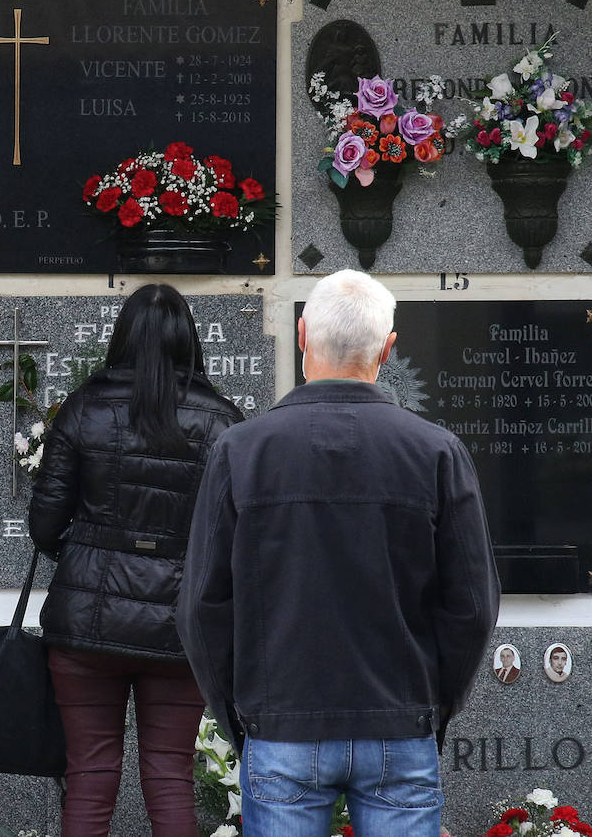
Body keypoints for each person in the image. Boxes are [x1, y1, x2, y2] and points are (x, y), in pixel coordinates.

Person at [178, 269, 500, 837]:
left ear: (302, 335)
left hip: (282, 721)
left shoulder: (241, 451)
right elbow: (472, 605)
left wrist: (242, 714)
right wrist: (429, 705)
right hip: (398, 721)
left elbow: (203, 605)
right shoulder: (436, 452)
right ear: (388, 347)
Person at [29, 284, 244, 837]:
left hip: (85, 625)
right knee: (171, 777)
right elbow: (236, 534)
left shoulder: (84, 409)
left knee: (90, 775)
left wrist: (87, 556)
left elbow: (45, 524)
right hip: (179, 627)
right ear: (188, 341)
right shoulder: (221, 420)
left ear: (121, 337)